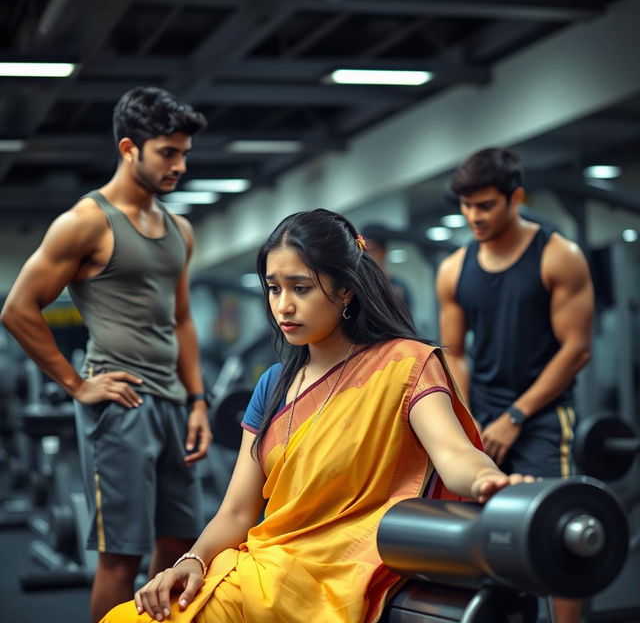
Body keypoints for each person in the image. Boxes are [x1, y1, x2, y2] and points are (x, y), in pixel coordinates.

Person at [102, 208, 533, 623]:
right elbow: (236, 510)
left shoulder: (405, 364)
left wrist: (487, 481)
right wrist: (192, 560)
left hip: (338, 574)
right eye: (273, 288)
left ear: (345, 290)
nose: (283, 306)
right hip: (267, 568)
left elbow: (455, 453)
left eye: (301, 288)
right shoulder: (273, 384)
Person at [1, 86, 213, 622]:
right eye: (168, 152)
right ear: (128, 149)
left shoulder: (179, 230)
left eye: (184, 153)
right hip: (119, 407)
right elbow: (19, 309)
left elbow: (182, 319)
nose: (180, 165)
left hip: (173, 404)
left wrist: (198, 401)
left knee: (182, 541)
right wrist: (77, 384)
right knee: (122, 557)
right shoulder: (86, 222)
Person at [436, 147, 594, 623]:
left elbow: (576, 349)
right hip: (482, 418)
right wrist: (467, 421)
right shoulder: (453, 269)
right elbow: (455, 353)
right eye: (466, 206)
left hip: (543, 417)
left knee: (560, 531)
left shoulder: (558, 256)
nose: (473, 216)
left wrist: (516, 416)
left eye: (485, 205)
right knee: (487, 533)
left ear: (515, 198)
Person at [362, 224, 412, 310]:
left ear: (383, 251)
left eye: (371, 250)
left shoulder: (399, 287)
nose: (367, 256)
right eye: (363, 251)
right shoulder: (358, 286)